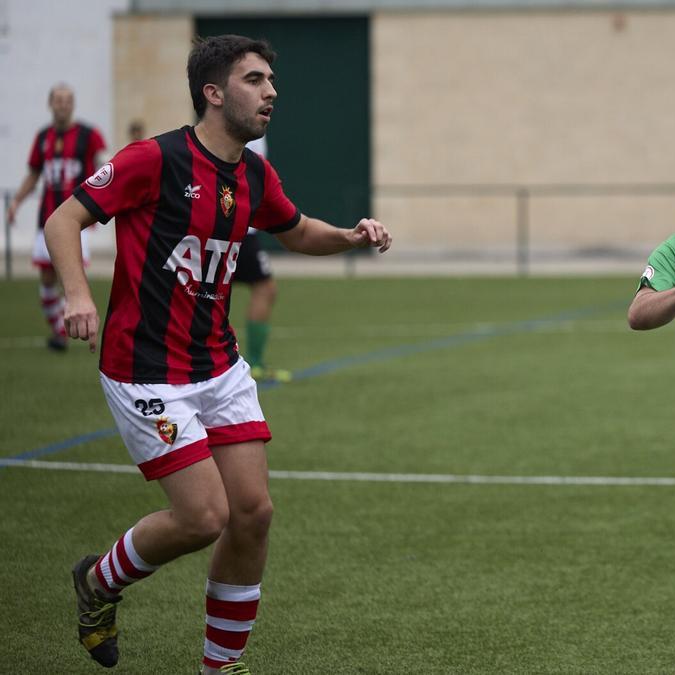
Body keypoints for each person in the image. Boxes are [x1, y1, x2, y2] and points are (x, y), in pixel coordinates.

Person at [43, 35, 392, 673]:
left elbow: (296, 229)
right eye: (255, 80)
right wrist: (76, 296)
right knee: (205, 515)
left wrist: (347, 236)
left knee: (253, 513)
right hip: (146, 367)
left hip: (219, 365)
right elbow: (63, 219)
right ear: (214, 93)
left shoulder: (254, 172)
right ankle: (98, 581)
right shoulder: (154, 159)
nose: (271, 93)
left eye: (270, 82)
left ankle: (219, 666)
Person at [6, 83, 107, 351]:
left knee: (71, 275)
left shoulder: (89, 135)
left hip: (78, 220)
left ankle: (83, 325)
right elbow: (33, 174)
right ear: (50, 104)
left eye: (67, 100)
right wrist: (16, 202)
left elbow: (105, 165)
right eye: (58, 100)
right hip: (47, 220)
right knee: (47, 279)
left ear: (73, 104)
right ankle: (59, 331)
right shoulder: (43, 137)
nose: (63, 104)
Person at [236, 135, 289, 383]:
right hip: (241, 230)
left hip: (240, 229)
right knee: (265, 289)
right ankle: (253, 364)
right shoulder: (244, 128)